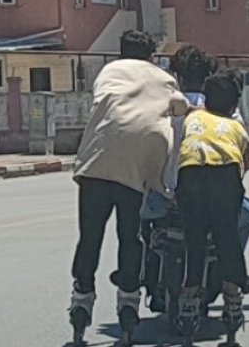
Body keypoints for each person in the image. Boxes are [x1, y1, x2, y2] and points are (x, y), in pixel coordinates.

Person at [68, 30, 188, 340]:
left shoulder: (109, 71)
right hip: (138, 162)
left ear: (121, 53)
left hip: (97, 159)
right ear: (151, 56)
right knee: (130, 236)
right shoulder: (165, 79)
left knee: (90, 236)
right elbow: (180, 110)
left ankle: (81, 299)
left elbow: (103, 100)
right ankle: (129, 303)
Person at [142, 46, 249, 311]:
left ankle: (142, 272)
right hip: (218, 193)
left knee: (139, 215)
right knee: (247, 216)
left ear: (177, 77)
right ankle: (229, 275)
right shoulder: (227, 113)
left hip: (169, 196)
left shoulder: (165, 106)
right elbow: (242, 156)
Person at [175, 69, 249, 334]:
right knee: (226, 239)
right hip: (224, 176)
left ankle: (188, 299)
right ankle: (232, 298)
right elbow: (246, 157)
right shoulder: (235, 126)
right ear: (233, 105)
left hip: (191, 174)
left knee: (193, 241)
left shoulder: (194, 117)